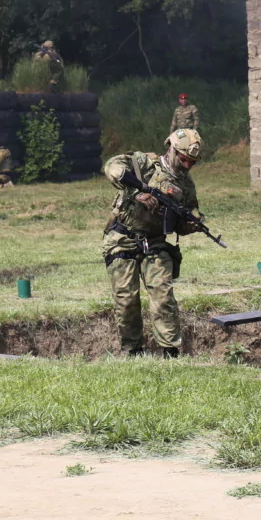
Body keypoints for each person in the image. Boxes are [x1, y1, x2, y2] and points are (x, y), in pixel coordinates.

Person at [101, 128, 205, 357]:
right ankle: (133, 351)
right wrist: (138, 192)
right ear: (172, 149)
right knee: (126, 299)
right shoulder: (143, 164)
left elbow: (184, 220)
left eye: (193, 162)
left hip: (155, 242)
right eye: (185, 159)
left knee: (163, 295)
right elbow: (112, 168)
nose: (187, 165)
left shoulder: (186, 186)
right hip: (123, 238)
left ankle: (170, 350)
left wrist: (192, 224)